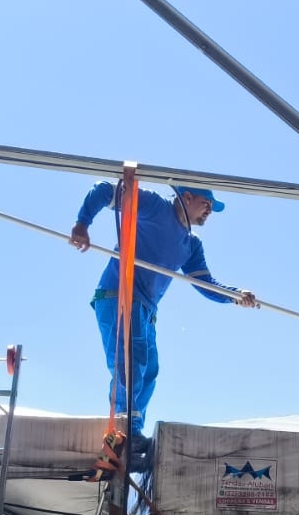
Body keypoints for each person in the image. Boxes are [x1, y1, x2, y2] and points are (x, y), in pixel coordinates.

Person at [71, 182, 258, 449]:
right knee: (131, 363)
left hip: (147, 310)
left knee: (149, 370)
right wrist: (82, 224)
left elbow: (205, 283)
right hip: (119, 295)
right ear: (187, 197)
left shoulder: (191, 244)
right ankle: (125, 427)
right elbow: (104, 191)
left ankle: (134, 430)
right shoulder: (154, 206)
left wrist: (234, 295)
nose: (209, 211)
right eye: (206, 204)